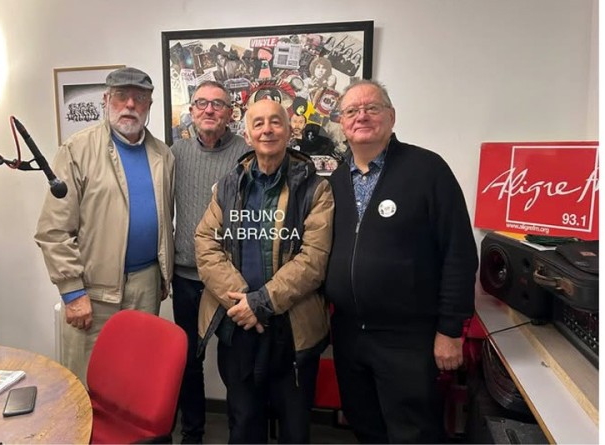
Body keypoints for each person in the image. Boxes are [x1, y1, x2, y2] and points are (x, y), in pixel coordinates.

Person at [324, 79, 478, 443]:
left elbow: (458, 252)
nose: (361, 116)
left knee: (414, 433)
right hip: (349, 334)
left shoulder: (427, 170)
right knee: (365, 426)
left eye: (372, 108)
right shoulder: (334, 182)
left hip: (408, 338)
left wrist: (450, 330)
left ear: (391, 117)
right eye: (352, 110)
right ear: (342, 123)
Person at [194, 99, 334, 444]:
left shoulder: (315, 189)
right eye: (258, 123)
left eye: (275, 122)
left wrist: (261, 302)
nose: (267, 130)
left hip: (291, 327)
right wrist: (243, 303)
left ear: (289, 131)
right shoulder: (228, 185)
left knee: (294, 427)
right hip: (238, 325)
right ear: (247, 135)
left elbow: (314, 258)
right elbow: (205, 243)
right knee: (243, 423)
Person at [35, 66, 175, 385]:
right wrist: (72, 292)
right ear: (106, 99)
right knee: (87, 382)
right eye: (122, 96)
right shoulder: (77, 150)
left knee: (136, 379)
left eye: (139, 98)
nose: (130, 105)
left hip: (146, 285)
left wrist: (162, 275)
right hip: (93, 291)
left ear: (149, 105)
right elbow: (53, 230)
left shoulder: (163, 155)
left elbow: (165, 218)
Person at [170, 80, 252, 444]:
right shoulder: (175, 154)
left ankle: (241, 434)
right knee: (189, 360)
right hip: (186, 278)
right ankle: (192, 433)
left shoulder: (247, 154)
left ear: (230, 113)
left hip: (231, 280)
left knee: (237, 365)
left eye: (217, 104)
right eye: (201, 103)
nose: (209, 110)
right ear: (191, 111)